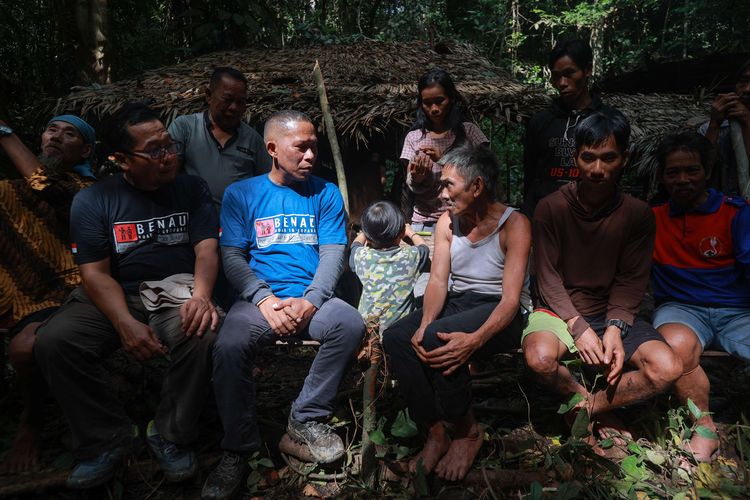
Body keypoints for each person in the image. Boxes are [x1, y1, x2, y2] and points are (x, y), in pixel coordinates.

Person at [33, 103, 220, 489]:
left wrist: (201, 297)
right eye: (154, 150)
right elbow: (95, 274)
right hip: (115, 294)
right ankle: (105, 437)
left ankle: (169, 432)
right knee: (55, 341)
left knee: (201, 330)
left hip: (176, 290)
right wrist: (124, 324)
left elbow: (206, 249)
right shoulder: (93, 201)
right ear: (120, 159)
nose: (167, 156)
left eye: (169, 145)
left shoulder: (190, 187)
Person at [203, 110, 365, 500]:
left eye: (315, 146)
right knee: (228, 345)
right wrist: (263, 300)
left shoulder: (325, 193)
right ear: (273, 148)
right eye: (302, 147)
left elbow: (332, 255)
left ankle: (306, 416)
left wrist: (311, 301)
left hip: (312, 297)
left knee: (349, 324)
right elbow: (233, 258)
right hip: (260, 301)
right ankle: (239, 447)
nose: (311, 156)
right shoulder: (242, 194)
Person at [521, 111, 682, 448]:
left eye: (608, 158)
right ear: (576, 157)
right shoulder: (551, 207)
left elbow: (632, 278)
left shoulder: (637, 214)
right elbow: (547, 278)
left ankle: (587, 407)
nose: (597, 169)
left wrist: (614, 327)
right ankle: (589, 402)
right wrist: (579, 329)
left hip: (610, 311)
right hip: (558, 310)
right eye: (588, 157)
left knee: (666, 368)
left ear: (624, 158)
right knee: (539, 357)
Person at [383, 144, 531, 481]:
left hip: (500, 311)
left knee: (439, 338)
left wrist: (475, 340)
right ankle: (436, 431)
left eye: (449, 184)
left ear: (477, 186)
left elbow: (510, 301)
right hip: (458, 302)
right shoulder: (447, 223)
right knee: (397, 337)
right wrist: (424, 322)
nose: (442, 193)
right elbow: (437, 279)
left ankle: (467, 432)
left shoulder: (515, 224)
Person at [0, 114, 96, 474]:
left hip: (69, 290)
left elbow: (47, 187)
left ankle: (32, 420)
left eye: (69, 134)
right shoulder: (9, 189)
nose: (57, 137)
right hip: (17, 292)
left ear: (85, 150)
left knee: (24, 348)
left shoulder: (88, 191)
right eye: (52, 130)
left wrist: (5, 134)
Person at [651, 131, 750, 462]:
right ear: (662, 176)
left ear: (707, 171)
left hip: (737, 311)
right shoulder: (652, 219)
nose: (682, 179)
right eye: (673, 172)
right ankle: (704, 429)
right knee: (676, 345)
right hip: (682, 309)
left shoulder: (736, 213)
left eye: (691, 170)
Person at [522, 38, 617, 217]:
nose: (562, 83)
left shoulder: (609, 120)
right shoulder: (541, 122)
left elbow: (614, 176)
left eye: (569, 73)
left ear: (587, 70)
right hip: (547, 218)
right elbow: (531, 177)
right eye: (556, 76)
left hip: (592, 217)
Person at [401, 69, 489, 252]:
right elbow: (409, 183)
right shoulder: (414, 137)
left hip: (465, 221)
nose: (434, 109)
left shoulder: (469, 132)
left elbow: (486, 173)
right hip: (424, 225)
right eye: (427, 103)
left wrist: (444, 160)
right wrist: (417, 177)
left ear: (452, 99)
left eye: (440, 101)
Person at [168, 66, 272, 207]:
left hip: (239, 223)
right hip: (194, 221)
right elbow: (166, 175)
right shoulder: (185, 128)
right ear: (209, 95)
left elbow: (268, 183)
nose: (233, 107)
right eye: (227, 99)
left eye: (240, 102)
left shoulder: (252, 139)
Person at [350, 200, 430, 332]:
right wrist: (411, 233)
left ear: (368, 238)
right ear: (400, 233)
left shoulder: (361, 256)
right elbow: (424, 249)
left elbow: (355, 246)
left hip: (368, 331)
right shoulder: (410, 256)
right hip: (401, 331)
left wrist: (365, 233)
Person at [699, 59, 750, 196]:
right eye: (743, 81)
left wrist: (747, 124)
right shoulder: (711, 128)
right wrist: (714, 124)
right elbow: (703, 172)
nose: (747, 89)